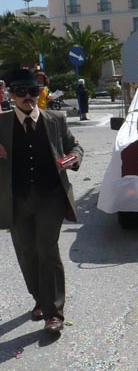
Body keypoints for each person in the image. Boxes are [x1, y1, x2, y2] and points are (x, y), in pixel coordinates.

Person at [0, 69, 83, 334]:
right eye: (22, 93)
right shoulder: (1, 123)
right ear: (11, 95)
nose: (28, 97)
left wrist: (74, 158)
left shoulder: (56, 119)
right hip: (17, 199)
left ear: (39, 93)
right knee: (27, 253)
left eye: (33, 92)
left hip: (50, 197)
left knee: (47, 250)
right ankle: (39, 299)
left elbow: (75, 146)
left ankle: (54, 313)